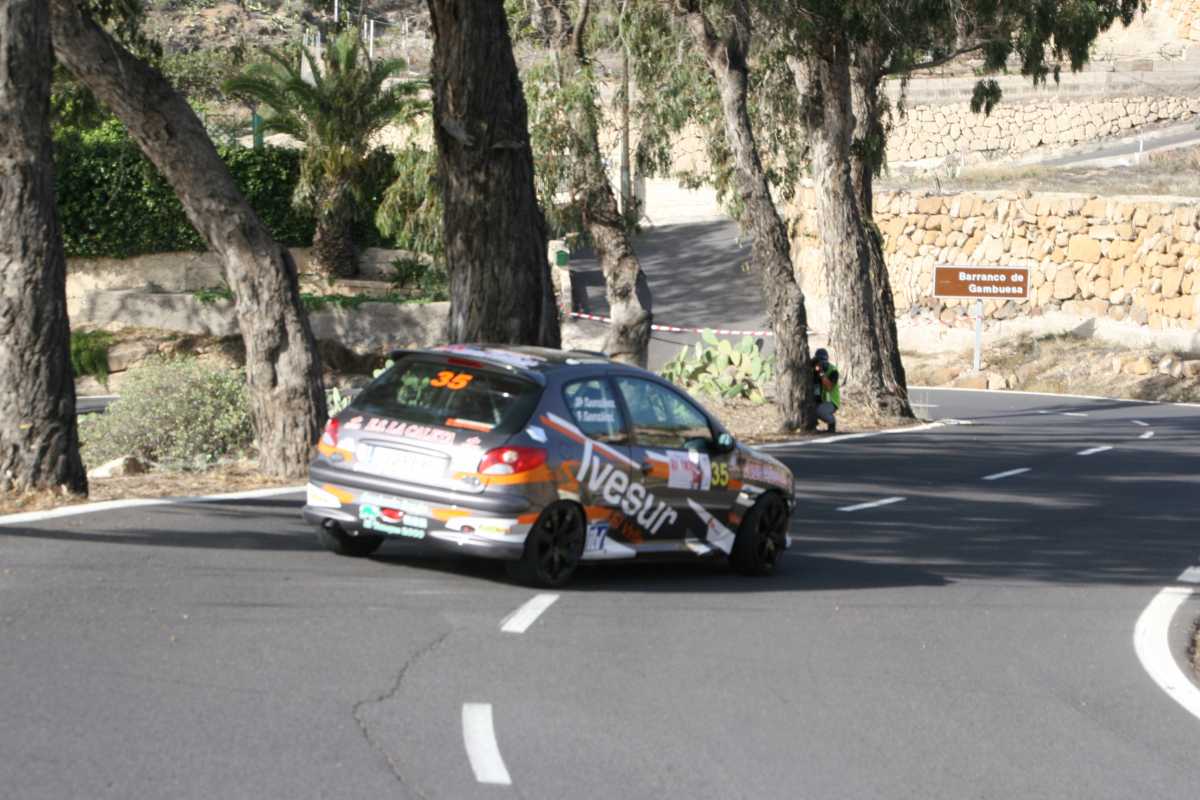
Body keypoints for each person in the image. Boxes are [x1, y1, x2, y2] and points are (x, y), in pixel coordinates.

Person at [812, 348, 840, 433]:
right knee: (808, 408)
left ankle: (832, 423)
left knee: (819, 411)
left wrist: (821, 373)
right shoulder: (814, 370)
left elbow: (829, 387)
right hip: (818, 400)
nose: (822, 364)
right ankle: (813, 427)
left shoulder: (833, 370)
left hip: (831, 401)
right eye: (820, 362)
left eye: (824, 362)